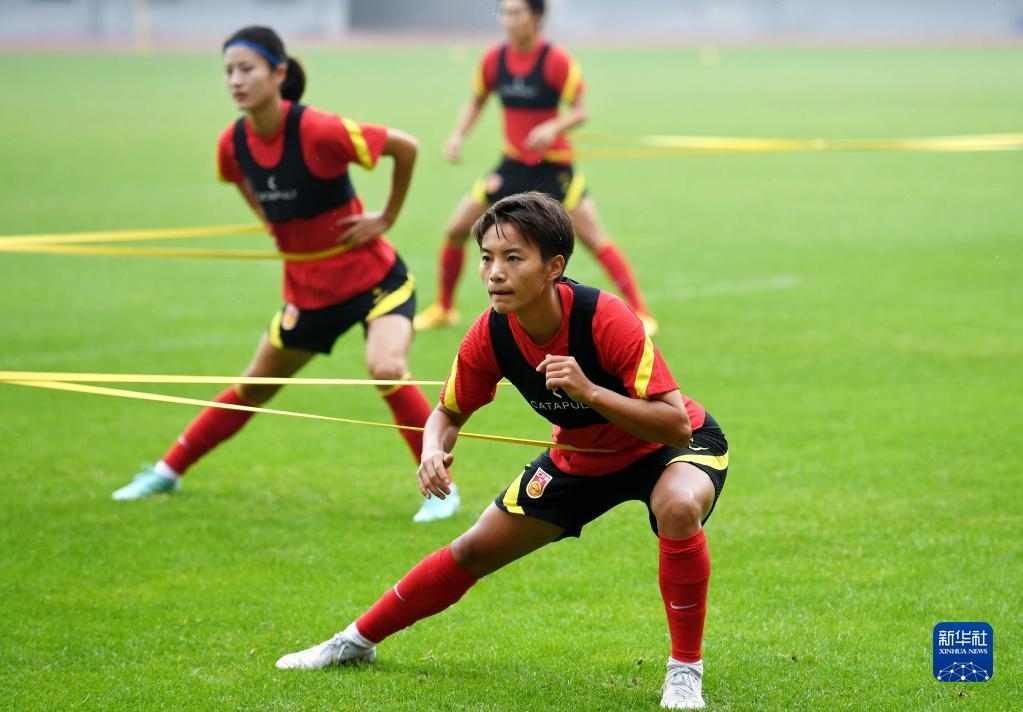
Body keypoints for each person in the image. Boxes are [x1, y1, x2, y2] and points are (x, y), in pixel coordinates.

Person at [276, 193, 728, 710]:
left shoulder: (604, 317)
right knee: (471, 550)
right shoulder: (492, 332)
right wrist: (431, 450)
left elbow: (674, 425)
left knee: (678, 506)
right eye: (487, 258)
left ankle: (684, 672)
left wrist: (590, 392)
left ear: (554, 267)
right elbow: (446, 414)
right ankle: (353, 642)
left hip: (673, 448)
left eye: (513, 258)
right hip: (581, 459)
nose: (494, 273)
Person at [112, 25, 460, 523]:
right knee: (253, 387)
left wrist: (385, 217)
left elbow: (405, 147)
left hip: (375, 281)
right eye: (228, 71)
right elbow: (247, 187)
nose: (235, 80)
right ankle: (167, 471)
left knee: (385, 367)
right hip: (308, 294)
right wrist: (278, 227)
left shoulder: (319, 130)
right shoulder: (232, 144)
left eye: (247, 69)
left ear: (279, 73)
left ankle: (443, 492)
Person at [414, 0, 658, 336]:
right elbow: (477, 100)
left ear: (537, 16)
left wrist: (553, 127)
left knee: (593, 237)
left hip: (552, 167)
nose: (509, 20)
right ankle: (444, 308)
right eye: (505, 13)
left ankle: (641, 311)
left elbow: (581, 110)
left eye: (517, 13)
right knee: (457, 228)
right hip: (512, 165)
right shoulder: (494, 59)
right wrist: (458, 136)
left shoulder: (554, 60)